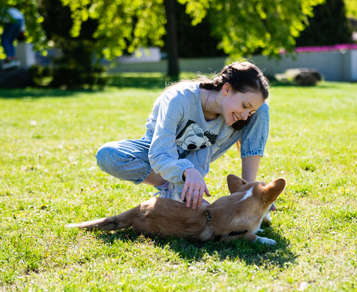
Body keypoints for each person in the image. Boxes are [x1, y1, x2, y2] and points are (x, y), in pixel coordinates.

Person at [96, 61, 270, 210]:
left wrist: (251, 195)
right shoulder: (178, 98)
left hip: (198, 158)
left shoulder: (240, 116)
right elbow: (160, 153)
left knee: (262, 109)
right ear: (226, 89)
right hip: (159, 156)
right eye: (245, 105)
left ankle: (247, 192)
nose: (246, 115)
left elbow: (252, 119)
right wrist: (186, 171)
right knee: (108, 154)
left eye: (250, 110)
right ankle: (169, 186)